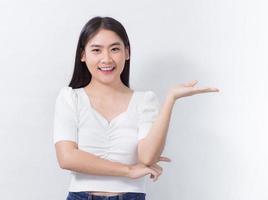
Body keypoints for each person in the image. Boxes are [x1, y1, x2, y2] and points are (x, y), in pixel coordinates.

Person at [53, 16, 219, 200]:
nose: (106, 59)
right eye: (96, 50)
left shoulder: (145, 101)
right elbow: (67, 158)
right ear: (83, 55)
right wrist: (128, 169)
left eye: (115, 49)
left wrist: (170, 100)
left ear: (127, 52)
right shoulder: (70, 98)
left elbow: (147, 157)